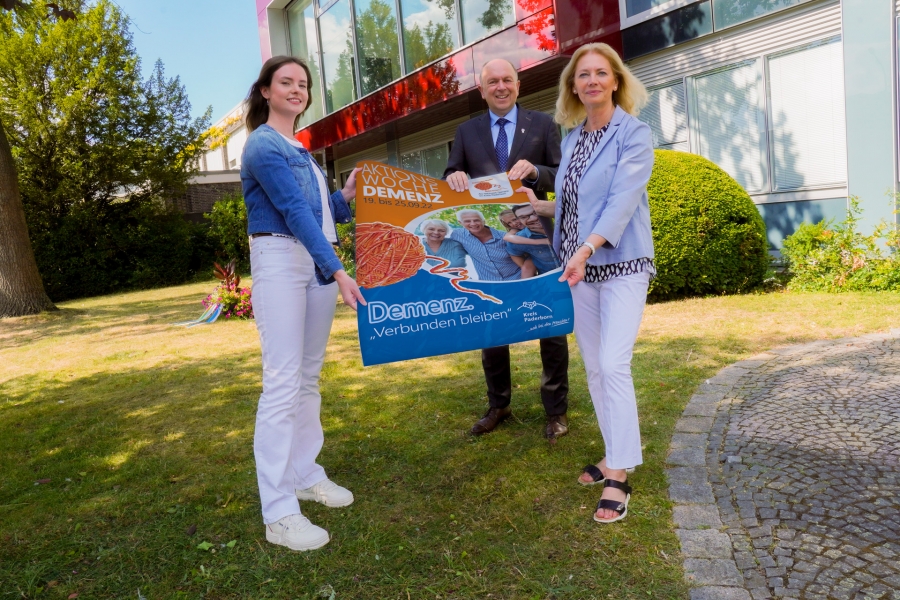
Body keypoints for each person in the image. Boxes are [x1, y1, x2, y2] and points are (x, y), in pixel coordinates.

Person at [519, 43, 654, 524]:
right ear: (573, 87)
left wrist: (585, 249)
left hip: (621, 263)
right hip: (579, 270)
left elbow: (620, 202)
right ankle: (614, 452)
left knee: (614, 364)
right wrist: (538, 209)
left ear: (615, 80)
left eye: (601, 73)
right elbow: (576, 203)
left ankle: (619, 472)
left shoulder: (634, 134)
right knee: (596, 368)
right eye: (583, 75)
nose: (592, 80)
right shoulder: (574, 139)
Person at [240, 56, 366, 551]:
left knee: (307, 378)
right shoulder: (263, 144)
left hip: (315, 262)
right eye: (286, 82)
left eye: (304, 84)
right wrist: (338, 269)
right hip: (281, 261)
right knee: (281, 384)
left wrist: (343, 197)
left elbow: (317, 214)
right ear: (266, 91)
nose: (297, 90)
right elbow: (292, 210)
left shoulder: (301, 149)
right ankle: (278, 512)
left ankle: (304, 474)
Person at [442, 58, 569, 440]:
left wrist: (536, 172)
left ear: (518, 84)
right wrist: (454, 176)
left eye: (507, 80)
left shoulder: (542, 124)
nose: (501, 87)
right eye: (493, 82)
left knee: (550, 324)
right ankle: (498, 405)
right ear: (482, 90)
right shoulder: (466, 131)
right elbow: (449, 176)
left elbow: (562, 175)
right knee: (492, 323)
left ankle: (556, 411)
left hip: (540, 239)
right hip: (495, 241)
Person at [448, 209, 522, 281]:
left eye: (476, 220)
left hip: (516, 278)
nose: (473, 224)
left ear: (483, 221)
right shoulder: (458, 235)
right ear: (460, 222)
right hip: (488, 283)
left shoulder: (504, 237)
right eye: (467, 221)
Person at [505, 204, 560, 275]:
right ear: (520, 220)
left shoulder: (567, 225)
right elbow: (514, 253)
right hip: (551, 277)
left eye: (535, 213)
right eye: (523, 217)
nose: (533, 218)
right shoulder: (520, 238)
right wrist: (527, 269)